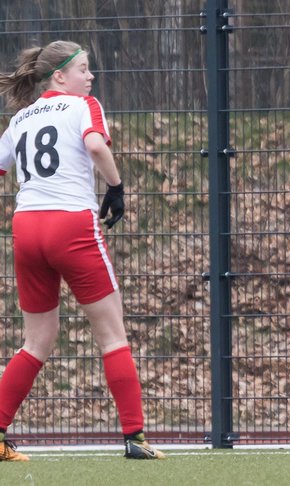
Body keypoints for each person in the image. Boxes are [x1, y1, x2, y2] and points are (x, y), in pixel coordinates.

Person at [0, 41, 164, 461]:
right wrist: (116, 187)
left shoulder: (20, 118)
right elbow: (95, 146)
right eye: (84, 69)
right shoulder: (83, 106)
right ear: (60, 77)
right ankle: (135, 438)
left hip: (27, 227)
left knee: (36, 341)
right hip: (71, 224)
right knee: (112, 333)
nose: (90, 77)